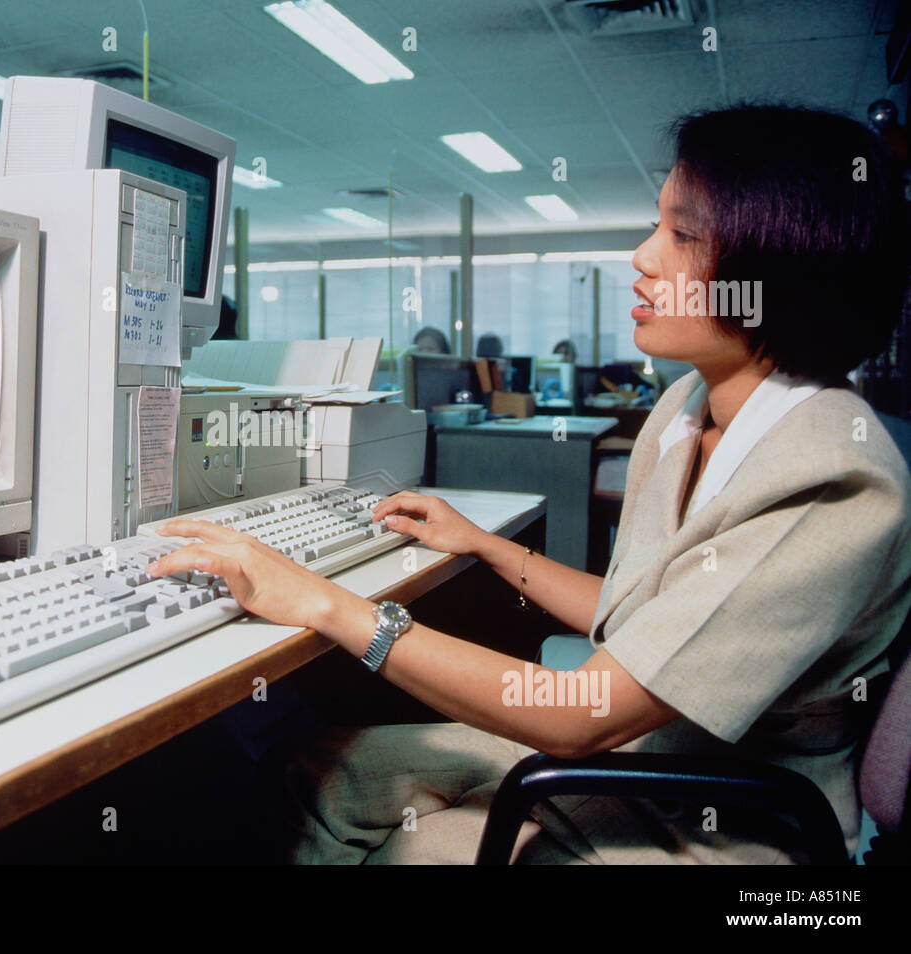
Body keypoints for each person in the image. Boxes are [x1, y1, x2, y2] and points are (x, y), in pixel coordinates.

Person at [146, 103, 911, 863]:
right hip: (649, 763)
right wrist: (480, 544)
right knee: (316, 768)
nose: (643, 257)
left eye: (683, 235)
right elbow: (638, 614)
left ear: (777, 270)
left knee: (412, 851)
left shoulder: (831, 477)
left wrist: (326, 603)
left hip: (722, 827)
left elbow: (584, 714)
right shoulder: (689, 410)